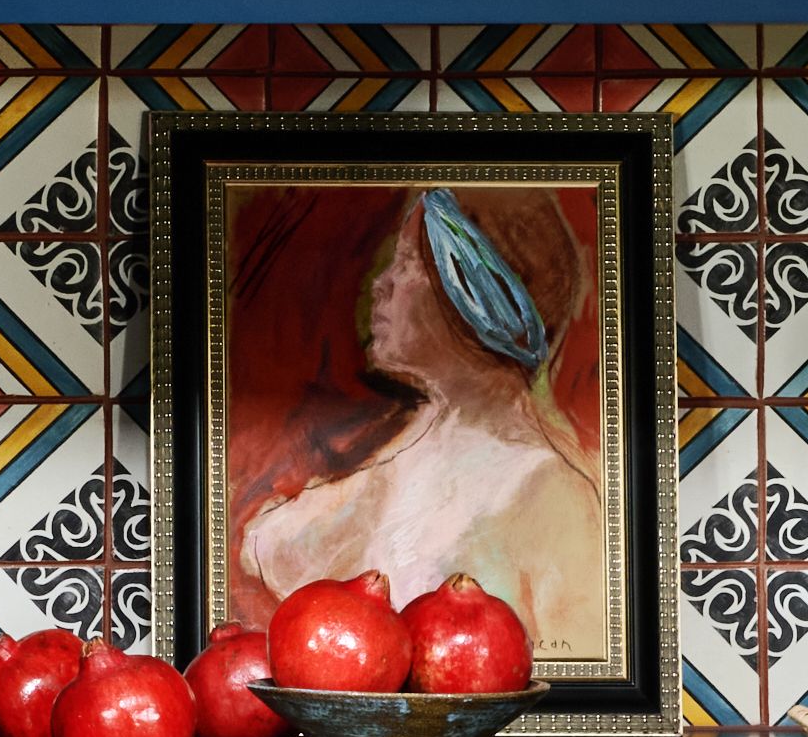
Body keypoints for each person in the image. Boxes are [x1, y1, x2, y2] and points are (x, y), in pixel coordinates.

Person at [229, 182, 614, 664]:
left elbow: (574, 670)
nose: (381, 283)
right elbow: (270, 547)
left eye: (407, 264)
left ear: (475, 297)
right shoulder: (407, 459)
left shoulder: (554, 499)